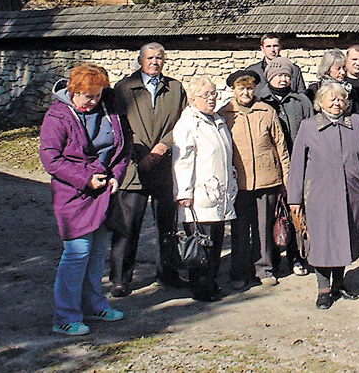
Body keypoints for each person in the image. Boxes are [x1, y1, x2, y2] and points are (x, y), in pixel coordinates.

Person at [40, 63, 130, 336]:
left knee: (96, 255)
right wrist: (84, 179)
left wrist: (115, 175)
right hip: (73, 195)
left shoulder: (109, 109)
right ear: (74, 91)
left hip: (105, 193)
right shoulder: (58, 115)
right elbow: (51, 159)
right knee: (77, 254)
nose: (94, 101)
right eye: (88, 96)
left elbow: (123, 147)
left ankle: (94, 304)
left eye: (98, 95)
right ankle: (65, 316)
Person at [288, 82, 359, 309]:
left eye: (340, 99)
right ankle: (323, 290)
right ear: (320, 103)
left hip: (353, 193)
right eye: (331, 99)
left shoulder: (357, 123)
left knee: (345, 238)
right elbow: (297, 165)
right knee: (322, 243)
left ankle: (339, 284)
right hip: (319, 197)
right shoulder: (309, 126)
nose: (336, 103)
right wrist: (295, 199)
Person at [109, 43, 188, 297]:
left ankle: (168, 272)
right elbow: (118, 126)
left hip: (165, 168)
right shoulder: (123, 89)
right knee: (127, 226)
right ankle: (121, 279)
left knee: (167, 224)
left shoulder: (174, 88)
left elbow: (184, 121)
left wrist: (164, 145)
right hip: (134, 168)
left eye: (159, 58)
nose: (155, 62)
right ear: (140, 60)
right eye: (150, 58)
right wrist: (141, 154)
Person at [218, 69, 290, 289]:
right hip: (239, 182)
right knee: (240, 230)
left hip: (267, 179)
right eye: (242, 88)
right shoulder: (225, 115)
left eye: (250, 88)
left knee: (263, 227)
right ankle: (239, 272)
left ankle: (264, 268)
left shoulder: (266, 111)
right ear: (234, 90)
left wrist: (286, 179)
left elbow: (280, 146)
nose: (246, 93)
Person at [172, 77, 237, 302]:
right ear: (193, 99)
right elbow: (183, 160)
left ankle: (210, 282)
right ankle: (200, 288)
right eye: (206, 95)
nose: (211, 99)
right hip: (199, 195)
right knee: (201, 244)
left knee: (215, 242)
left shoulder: (216, 120)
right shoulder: (188, 123)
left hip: (219, 193)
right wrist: (184, 192)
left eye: (213, 94)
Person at [262, 56, 313, 276]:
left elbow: (312, 130)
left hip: (298, 163)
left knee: (296, 214)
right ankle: (271, 261)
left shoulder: (301, 101)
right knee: (272, 215)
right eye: (278, 75)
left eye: (286, 75)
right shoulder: (260, 101)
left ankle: (297, 257)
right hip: (270, 167)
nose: (283, 79)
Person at [247, 34, 306, 99]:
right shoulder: (252, 71)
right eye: (268, 46)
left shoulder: (294, 70)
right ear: (262, 48)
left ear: (280, 46)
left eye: (275, 46)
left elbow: (301, 95)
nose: (272, 50)